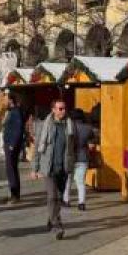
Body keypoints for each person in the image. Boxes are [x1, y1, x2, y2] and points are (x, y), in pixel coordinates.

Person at [32, 98, 77, 240]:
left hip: (63, 168)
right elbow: (37, 149)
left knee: (58, 199)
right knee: (52, 197)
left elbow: (73, 147)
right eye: (60, 108)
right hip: (48, 167)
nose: (63, 111)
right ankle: (57, 225)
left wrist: (72, 164)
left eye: (64, 108)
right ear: (53, 110)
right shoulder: (44, 126)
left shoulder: (70, 125)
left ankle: (51, 218)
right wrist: (35, 168)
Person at [63, 108, 97, 211]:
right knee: (81, 182)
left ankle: (66, 200)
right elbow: (92, 143)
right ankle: (81, 203)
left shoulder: (67, 128)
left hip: (69, 157)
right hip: (83, 158)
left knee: (68, 180)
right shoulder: (88, 128)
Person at [1, 94, 26, 204]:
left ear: (10, 100)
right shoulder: (12, 111)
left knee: (11, 170)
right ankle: (14, 194)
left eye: (5, 99)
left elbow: (18, 129)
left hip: (11, 145)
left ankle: (14, 195)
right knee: (12, 169)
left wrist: (12, 144)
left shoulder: (16, 112)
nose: (3, 101)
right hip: (10, 144)